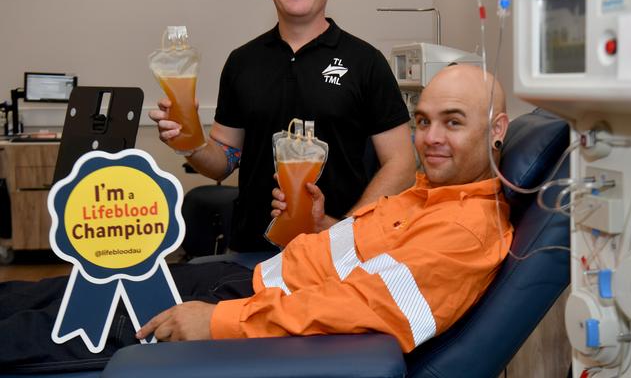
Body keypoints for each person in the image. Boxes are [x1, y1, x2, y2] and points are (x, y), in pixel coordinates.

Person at [0, 64, 513, 372]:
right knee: (53, 289)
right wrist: (324, 226)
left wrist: (217, 322)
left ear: (497, 129)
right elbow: (369, 260)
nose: (430, 138)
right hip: (249, 276)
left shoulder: (466, 230)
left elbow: (362, 308)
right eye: (422, 121)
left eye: (453, 122)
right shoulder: (432, 194)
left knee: (42, 328)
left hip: (250, 304)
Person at [149, 0, 415, 255]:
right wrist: (188, 143)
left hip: (338, 256)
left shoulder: (366, 62)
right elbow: (225, 159)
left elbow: (402, 165)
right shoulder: (242, 62)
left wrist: (344, 231)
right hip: (250, 255)